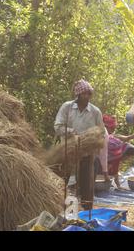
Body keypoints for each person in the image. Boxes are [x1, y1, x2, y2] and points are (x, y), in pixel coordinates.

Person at [54, 79, 107, 210]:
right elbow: (58, 127)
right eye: (85, 94)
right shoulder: (67, 107)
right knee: (63, 184)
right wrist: (73, 133)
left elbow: (101, 131)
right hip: (68, 152)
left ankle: (86, 210)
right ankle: (60, 209)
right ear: (78, 95)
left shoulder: (95, 112)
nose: (87, 97)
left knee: (87, 186)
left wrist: (94, 140)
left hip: (87, 156)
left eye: (89, 94)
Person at [95, 114, 134, 189]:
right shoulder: (117, 152)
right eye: (127, 158)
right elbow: (115, 171)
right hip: (98, 161)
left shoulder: (114, 142)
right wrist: (118, 186)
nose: (126, 160)